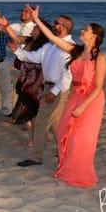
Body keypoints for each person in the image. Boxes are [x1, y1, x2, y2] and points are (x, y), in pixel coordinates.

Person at [29, 6, 106, 187]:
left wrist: (83, 106)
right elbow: (53, 38)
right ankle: (67, 167)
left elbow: (98, 87)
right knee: (65, 131)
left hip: (92, 100)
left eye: (86, 30)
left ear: (94, 36)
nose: (82, 30)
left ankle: (80, 172)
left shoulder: (100, 57)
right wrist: (37, 19)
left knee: (83, 137)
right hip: (75, 96)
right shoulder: (76, 51)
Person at [9, 13, 74, 167]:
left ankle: (38, 157)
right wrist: (16, 51)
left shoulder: (70, 47)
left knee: (41, 123)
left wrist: (54, 91)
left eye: (57, 23)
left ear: (64, 27)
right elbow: (33, 57)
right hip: (48, 87)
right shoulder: (49, 46)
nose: (54, 24)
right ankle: (62, 150)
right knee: (53, 123)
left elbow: (67, 75)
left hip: (58, 89)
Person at [9, 22, 52, 146]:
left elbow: (44, 66)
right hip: (26, 77)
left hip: (35, 79)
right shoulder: (29, 40)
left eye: (35, 28)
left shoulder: (44, 45)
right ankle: (39, 136)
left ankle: (35, 139)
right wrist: (6, 25)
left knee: (34, 110)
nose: (32, 28)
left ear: (41, 31)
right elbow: (15, 37)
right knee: (32, 110)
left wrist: (37, 83)